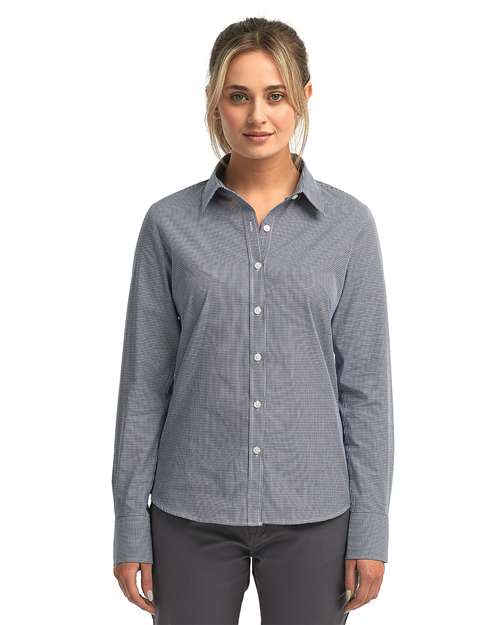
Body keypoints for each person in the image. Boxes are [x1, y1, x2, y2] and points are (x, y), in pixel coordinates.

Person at [111, 16, 394, 625]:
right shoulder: (168, 225)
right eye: (238, 96)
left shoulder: (349, 227)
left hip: (315, 514)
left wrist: (371, 528)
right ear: (215, 102)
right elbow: (143, 386)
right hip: (190, 512)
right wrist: (131, 525)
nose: (257, 116)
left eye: (276, 95)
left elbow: (366, 390)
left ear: (304, 98)